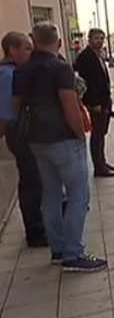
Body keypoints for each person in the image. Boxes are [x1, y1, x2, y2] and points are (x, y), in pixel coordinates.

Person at [13, 22, 107, 272]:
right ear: (59, 43)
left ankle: (57, 249)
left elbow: (17, 106)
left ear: (34, 42)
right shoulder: (60, 68)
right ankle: (73, 253)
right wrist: (79, 135)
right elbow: (70, 107)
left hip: (36, 141)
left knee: (51, 194)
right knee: (79, 195)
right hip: (63, 138)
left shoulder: (22, 70)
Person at [0, 31, 47, 247]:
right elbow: (8, 113)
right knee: (31, 182)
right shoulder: (8, 75)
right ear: (13, 50)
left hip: (21, 131)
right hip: (19, 133)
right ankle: (35, 231)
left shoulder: (15, 72)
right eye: (27, 48)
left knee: (34, 180)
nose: (31, 52)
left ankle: (37, 225)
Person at [74, 29, 114, 177]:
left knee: (101, 134)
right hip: (96, 103)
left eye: (101, 38)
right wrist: (94, 103)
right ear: (89, 39)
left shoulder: (98, 55)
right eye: (96, 38)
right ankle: (99, 167)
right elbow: (88, 82)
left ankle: (102, 162)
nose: (99, 41)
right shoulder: (85, 57)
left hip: (104, 101)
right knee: (97, 135)